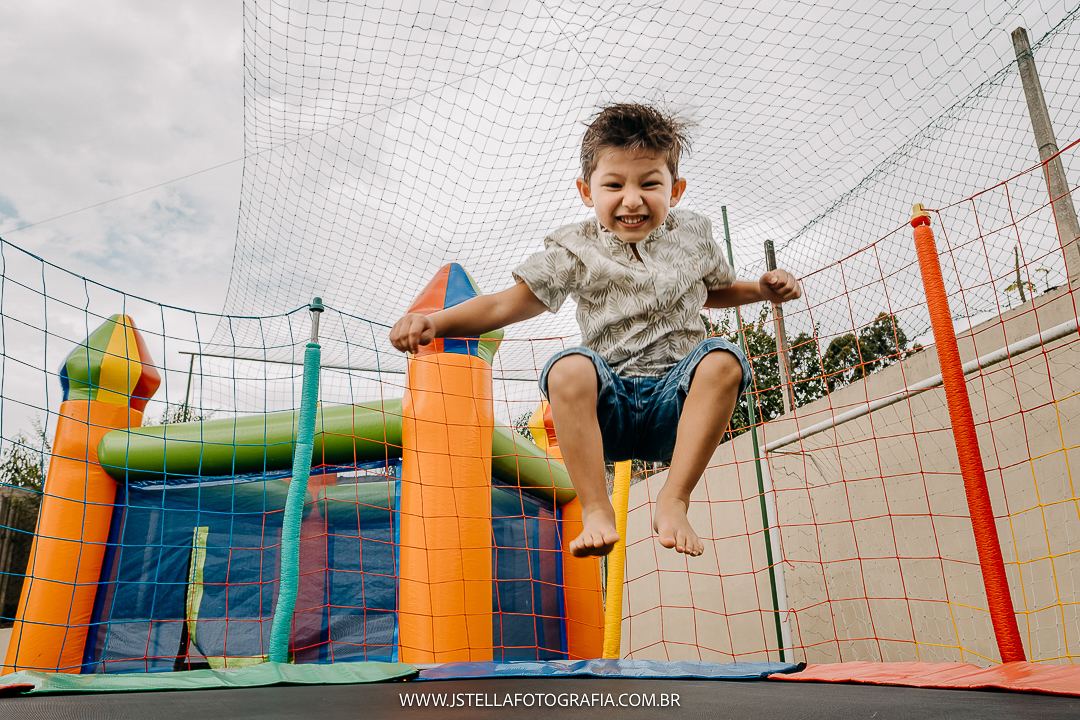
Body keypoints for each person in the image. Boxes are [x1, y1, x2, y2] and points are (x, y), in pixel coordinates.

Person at [390, 104, 801, 558]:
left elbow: (714, 291)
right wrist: (435, 322)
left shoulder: (694, 234)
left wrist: (761, 290)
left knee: (724, 358)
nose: (632, 199)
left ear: (675, 190)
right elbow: (507, 303)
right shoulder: (576, 247)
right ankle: (596, 508)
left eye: (649, 184)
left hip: (677, 408)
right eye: (614, 185)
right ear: (587, 191)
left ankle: (674, 498)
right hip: (609, 408)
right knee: (568, 367)